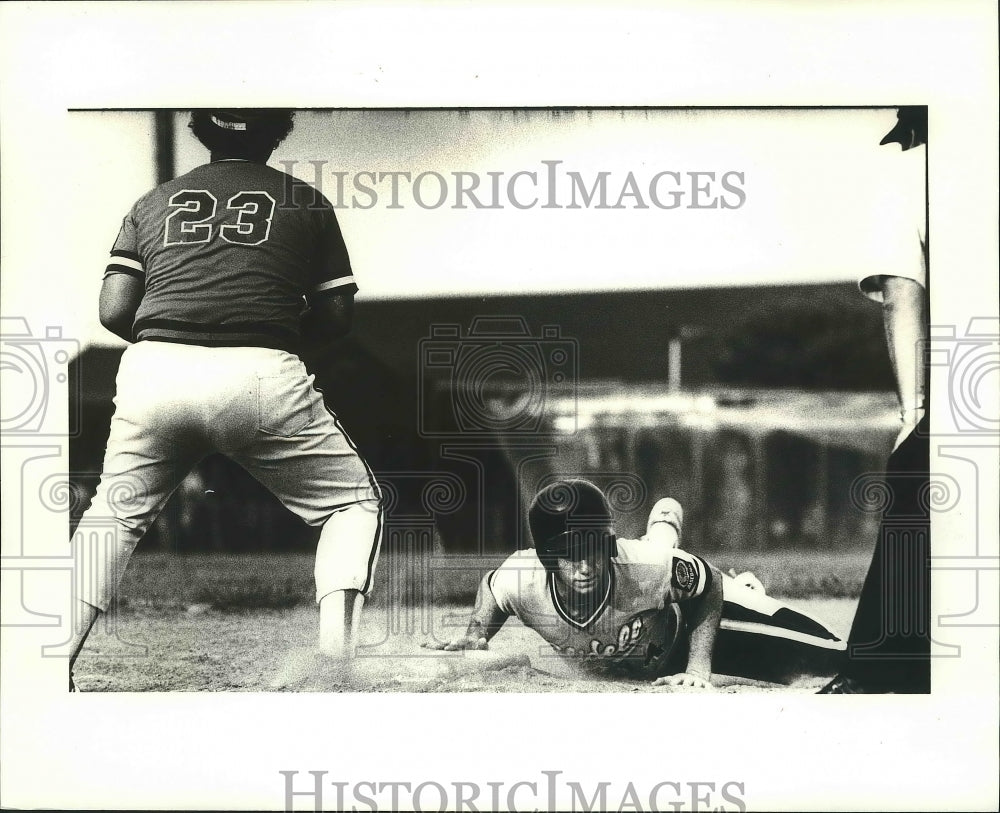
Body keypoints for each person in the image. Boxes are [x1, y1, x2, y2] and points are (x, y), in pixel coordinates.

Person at [68, 110, 382, 690]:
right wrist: (270, 336)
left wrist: (178, 337)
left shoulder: (155, 199)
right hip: (260, 369)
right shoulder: (306, 201)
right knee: (351, 506)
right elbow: (337, 315)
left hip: (155, 367)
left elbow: (114, 309)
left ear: (201, 131)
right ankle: (335, 666)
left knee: (112, 517)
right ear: (278, 130)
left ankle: (45, 660)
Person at [424, 479, 845, 688]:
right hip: (657, 579)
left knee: (832, 658)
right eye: (570, 553)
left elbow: (710, 583)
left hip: (684, 622)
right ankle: (663, 525)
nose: (585, 565)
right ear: (547, 557)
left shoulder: (642, 566)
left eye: (594, 548)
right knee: (658, 555)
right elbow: (492, 586)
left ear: (608, 544)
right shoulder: (523, 577)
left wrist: (699, 668)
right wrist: (476, 634)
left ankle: (742, 587)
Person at [820, 107, 930, 693]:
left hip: (968, 384)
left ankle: (880, 672)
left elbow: (902, 295)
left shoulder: (912, 174)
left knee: (918, 475)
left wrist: (914, 414)